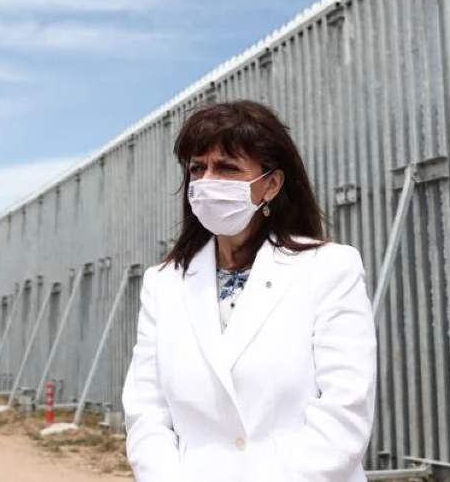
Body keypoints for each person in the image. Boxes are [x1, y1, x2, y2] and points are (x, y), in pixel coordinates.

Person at [121, 100, 377, 481]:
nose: (207, 181)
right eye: (197, 168)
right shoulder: (164, 284)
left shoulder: (329, 269)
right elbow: (146, 413)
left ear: (271, 184)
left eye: (226, 168)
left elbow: (344, 412)